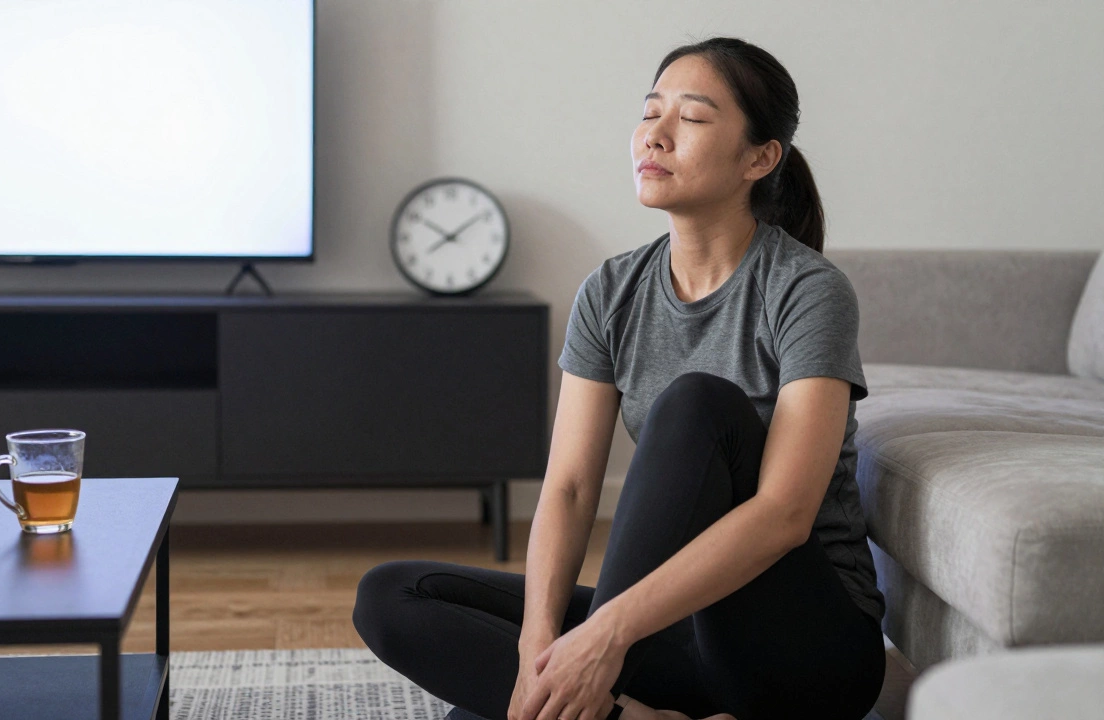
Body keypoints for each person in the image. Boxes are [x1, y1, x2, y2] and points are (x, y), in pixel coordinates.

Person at [352, 36, 886, 720]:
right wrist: (540, 647)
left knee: (697, 404)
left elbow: (784, 516)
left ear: (760, 157)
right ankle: (622, 712)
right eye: (649, 113)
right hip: (671, 629)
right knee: (393, 596)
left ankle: (594, 693)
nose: (654, 137)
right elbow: (572, 487)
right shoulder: (610, 289)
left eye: (690, 119)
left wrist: (603, 635)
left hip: (805, 650)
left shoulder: (807, 291)